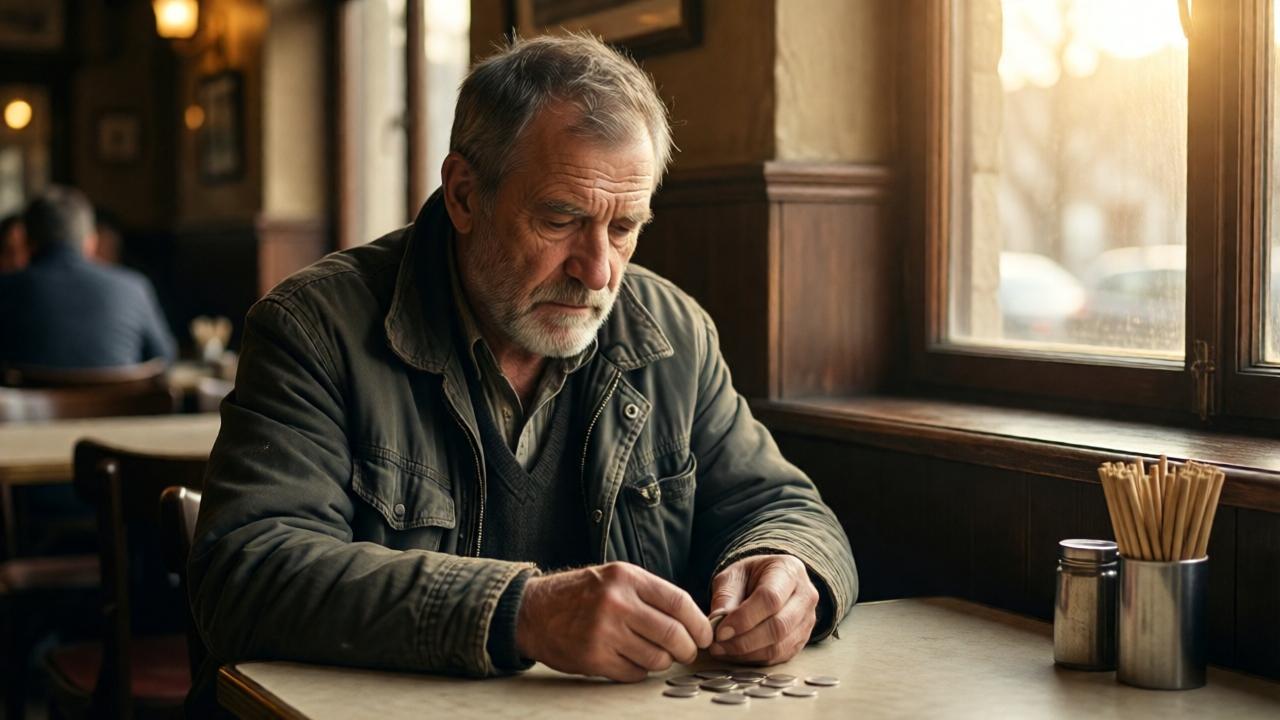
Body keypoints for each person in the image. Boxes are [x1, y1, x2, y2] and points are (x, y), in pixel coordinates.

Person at [189, 33, 856, 714]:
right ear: (463, 195)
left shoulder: (673, 333)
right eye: (561, 220)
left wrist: (789, 565)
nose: (597, 272)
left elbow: (784, 507)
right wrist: (520, 612)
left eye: (623, 228)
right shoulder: (314, 327)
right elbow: (245, 573)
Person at [0, 186, 176, 368]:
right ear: (91, 242)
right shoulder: (134, 288)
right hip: (118, 387)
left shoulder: (5, 289)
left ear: (28, 243)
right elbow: (164, 358)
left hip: (28, 388)